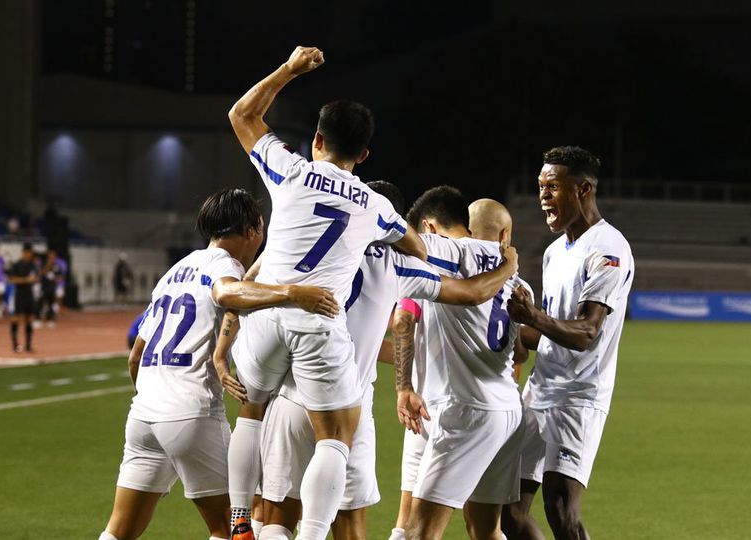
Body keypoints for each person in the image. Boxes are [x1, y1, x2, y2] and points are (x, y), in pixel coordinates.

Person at [214, 181, 519, 540]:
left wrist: (224, 347)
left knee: (277, 515)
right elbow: (469, 294)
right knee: (350, 525)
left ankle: (239, 519)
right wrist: (508, 265)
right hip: (349, 405)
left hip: (292, 397)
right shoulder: (397, 262)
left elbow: (242, 288)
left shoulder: (303, 245)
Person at [225, 46, 427, 540]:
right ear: (363, 155)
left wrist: (290, 69)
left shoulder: (291, 170)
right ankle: (313, 535)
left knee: (252, 409)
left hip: (270, 309)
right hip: (319, 318)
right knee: (335, 437)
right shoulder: (376, 205)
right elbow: (417, 246)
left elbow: (242, 114)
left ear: (316, 139)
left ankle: (237, 521)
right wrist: (382, 234)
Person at [98, 188, 340, 540]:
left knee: (119, 530)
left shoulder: (174, 271)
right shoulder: (225, 267)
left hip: (143, 417)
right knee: (235, 525)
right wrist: (292, 293)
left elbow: (136, 355)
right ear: (254, 230)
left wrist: (156, 399)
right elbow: (226, 293)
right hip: (190, 413)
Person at [503, 146, 634, 540]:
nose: (543, 195)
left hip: (580, 395)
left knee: (560, 506)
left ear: (583, 189)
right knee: (507, 511)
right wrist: (502, 328)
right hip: (541, 389)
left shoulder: (608, 248)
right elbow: (548, 328)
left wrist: (532, 317)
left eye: (552, 186)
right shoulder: (554, 251)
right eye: (540, 186)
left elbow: (587, 332)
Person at [392, 189, 534, 540]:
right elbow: (518, 352)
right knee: (486, 531)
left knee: (417, 531)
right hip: (507, 411)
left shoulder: (456, 251)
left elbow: (408, 242)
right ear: (505, 236)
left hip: (464, 410)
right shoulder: (519, 282)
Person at [6, 243, 39, 352]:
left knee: (29, 320)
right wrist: (26, 280)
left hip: (29, 294)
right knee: (16, 319)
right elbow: (12, 279)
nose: (30, 255)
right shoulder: (17, 265)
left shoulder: (32, 265)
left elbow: (36, 277)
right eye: (28, 253)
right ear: (24, 252)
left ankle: (28, 345)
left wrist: (35, 279)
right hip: (19, 295)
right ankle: (15, 344)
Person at [39, 249, 64, 326]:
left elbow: (60, 277)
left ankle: (51, 320)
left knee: (52, 303)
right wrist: (48, 266)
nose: (52, 258)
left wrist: (56, 278)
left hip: (52, 286)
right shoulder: (43, 264)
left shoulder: (57, 266)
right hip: (44, 286)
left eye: (53, 256)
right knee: (41, 302)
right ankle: (39, 319)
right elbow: (40, 274)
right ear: (48, 256)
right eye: (50, 256)